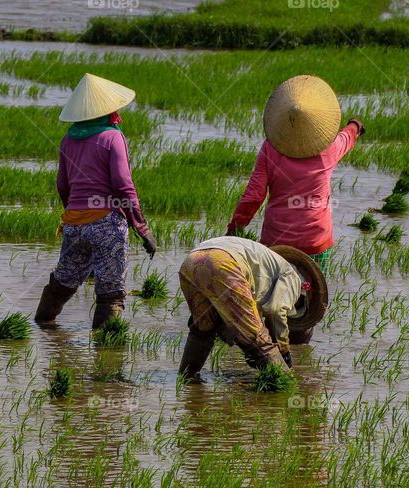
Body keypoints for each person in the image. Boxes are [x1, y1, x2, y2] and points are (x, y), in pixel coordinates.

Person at [34, 73, 158, 330]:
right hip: (107, 223)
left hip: (74, 222)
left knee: (64, 281)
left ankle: (43, 326)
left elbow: (62, 186)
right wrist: (142, 228)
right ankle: (106, 357)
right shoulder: (113, 137)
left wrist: (74, 214)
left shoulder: (68, 139)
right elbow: (123, 186)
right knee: (110, 292)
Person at [227, 75, 365, 276]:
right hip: (316, 240)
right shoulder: (331, 147)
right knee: (315, 297)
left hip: (276, 241)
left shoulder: (270, 149)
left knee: (274, 298)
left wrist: (235, 229)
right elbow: (348, 136)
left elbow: (253, 196)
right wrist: (355, 126)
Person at [177, 236, 327, 379]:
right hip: (223, 262)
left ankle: (187, 379)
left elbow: (231, 318)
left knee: (203, 328)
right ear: (304, 295)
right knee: (259, 341)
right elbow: (275, 310)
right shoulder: (293, 278)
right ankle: (286, 390)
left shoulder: (267, 263)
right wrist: (283, 351)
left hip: (191, 261)